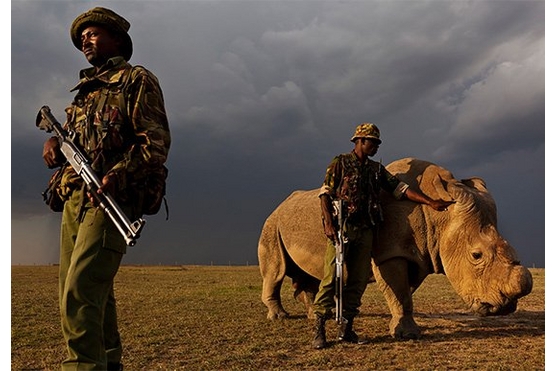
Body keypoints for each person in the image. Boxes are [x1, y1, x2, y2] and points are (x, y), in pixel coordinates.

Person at [41, 7, 171, 370]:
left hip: (113, 196)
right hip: (74, 197)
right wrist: (54, 143)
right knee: (92, 290)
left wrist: (117, 174)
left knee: (80, 289)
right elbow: (75, 141)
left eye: (94, 33)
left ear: (117, 40)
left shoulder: (136, 80)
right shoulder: (84, 94)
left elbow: (155, 144)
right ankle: (109, 363)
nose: (85, 39)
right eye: (82, 37)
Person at [312, 123, 453, 349]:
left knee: (357, 282)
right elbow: (325, 194)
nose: (376, 147)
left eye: (377, 143)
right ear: (360, 141)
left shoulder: (376, 170)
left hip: (366, 230)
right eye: (373, 142)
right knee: (332, 278)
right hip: (343, 228)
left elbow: (400, 189)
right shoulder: (340, 163)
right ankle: (319, 329)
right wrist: (328, 224)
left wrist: (431, 202)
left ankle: (346, 330)